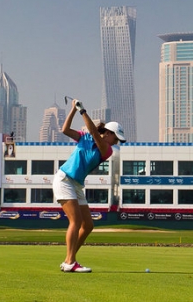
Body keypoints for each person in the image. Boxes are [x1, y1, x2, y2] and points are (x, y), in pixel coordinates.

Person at [53, 99, 126, 273]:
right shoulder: (85, 138)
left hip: (76, 184)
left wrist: (82, 110)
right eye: (116, 138)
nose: (116, 142)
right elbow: (65, 130)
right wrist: (73, 110)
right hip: (64, 180)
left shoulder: (106, 150)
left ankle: (69, 260)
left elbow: (93, 131)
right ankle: (70, 262)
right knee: (76, 221)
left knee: (88, 225)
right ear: (108, 133)